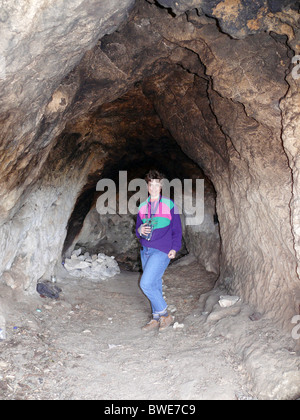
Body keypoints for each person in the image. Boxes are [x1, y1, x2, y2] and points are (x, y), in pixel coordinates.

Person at [136, 170, 182, 332]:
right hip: (146, 250)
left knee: (145, 283)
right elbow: (138, 229)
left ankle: (165, 315)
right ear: (147, 186)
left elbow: (177, 229)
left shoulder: (169, 205)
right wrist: (140, 229)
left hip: (161, 250)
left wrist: (174, 248)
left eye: (157, 185)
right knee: (154, 284)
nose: (154, 188)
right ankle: (156, 318)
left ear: (161, 186)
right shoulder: (142, 206)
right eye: (151, 185)